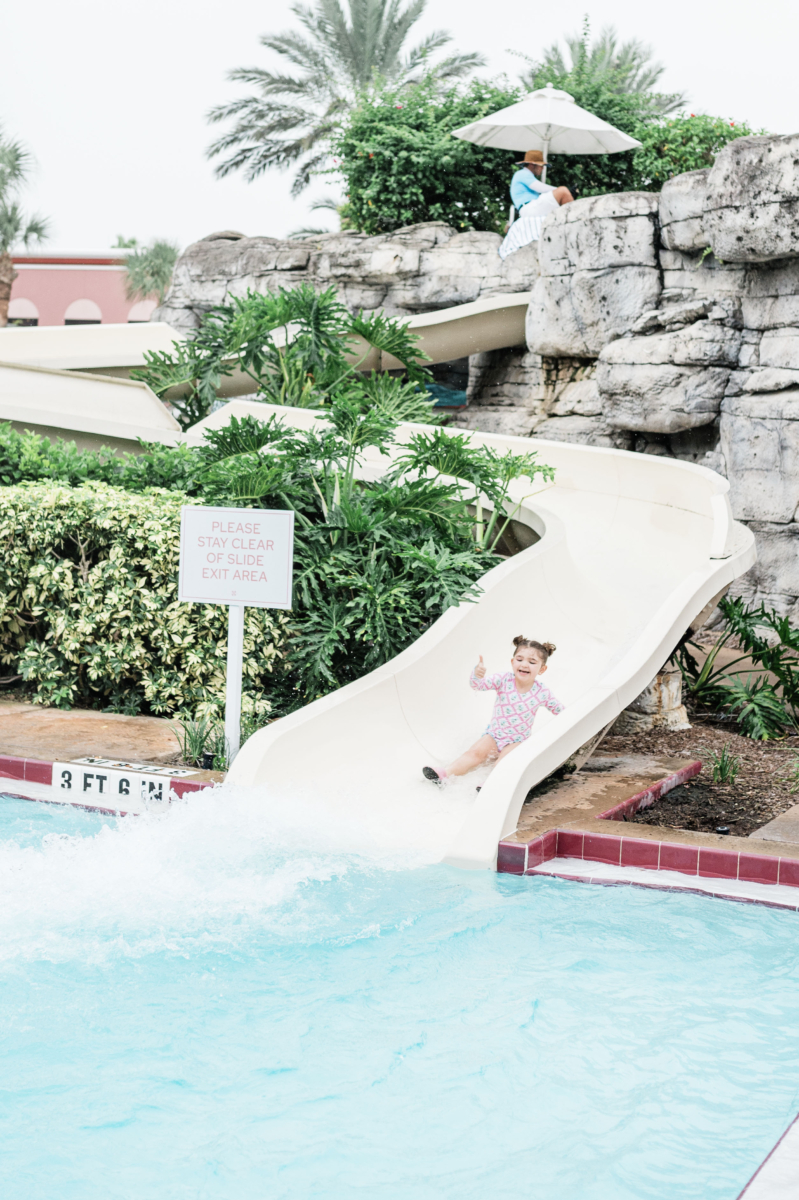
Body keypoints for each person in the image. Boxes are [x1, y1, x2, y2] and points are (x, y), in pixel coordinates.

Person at [422, 636, 563, 783]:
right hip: (494, 735)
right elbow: (478, 685)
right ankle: (445, 774)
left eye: (532, 662)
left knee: (503, 762)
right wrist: (477, 675)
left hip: (517, 740)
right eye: (519, 659)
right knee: (473, 753)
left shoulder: (542, 692)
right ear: (512, 662)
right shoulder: (503, 679)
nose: (524, 664)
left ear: (542, 669)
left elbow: (560, 711)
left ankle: (489, 786)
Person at [498, 150, 574, 260]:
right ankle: (575, 220)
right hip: (529, 208)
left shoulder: (526, 176)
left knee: (563, 194)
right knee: (563, 191)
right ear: (532, 165)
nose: (543, 169)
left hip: (530, 208)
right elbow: (541, 188)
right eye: (541, 166)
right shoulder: (522, 174)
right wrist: (565, 191)